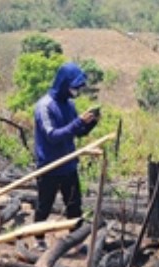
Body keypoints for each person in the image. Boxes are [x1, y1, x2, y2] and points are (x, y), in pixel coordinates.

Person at [32, 62, 99, 248]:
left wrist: (90, 123)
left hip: (69, 165)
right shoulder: (44, 106)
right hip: (49, 166)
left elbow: (77, 133)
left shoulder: (70, 105)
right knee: (44, 206)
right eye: (74, 87)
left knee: (74, 205)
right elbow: (52, 136)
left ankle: (75, 240)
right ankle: (38, 240)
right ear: (64, 83)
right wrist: (78, 122)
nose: (75, 91)